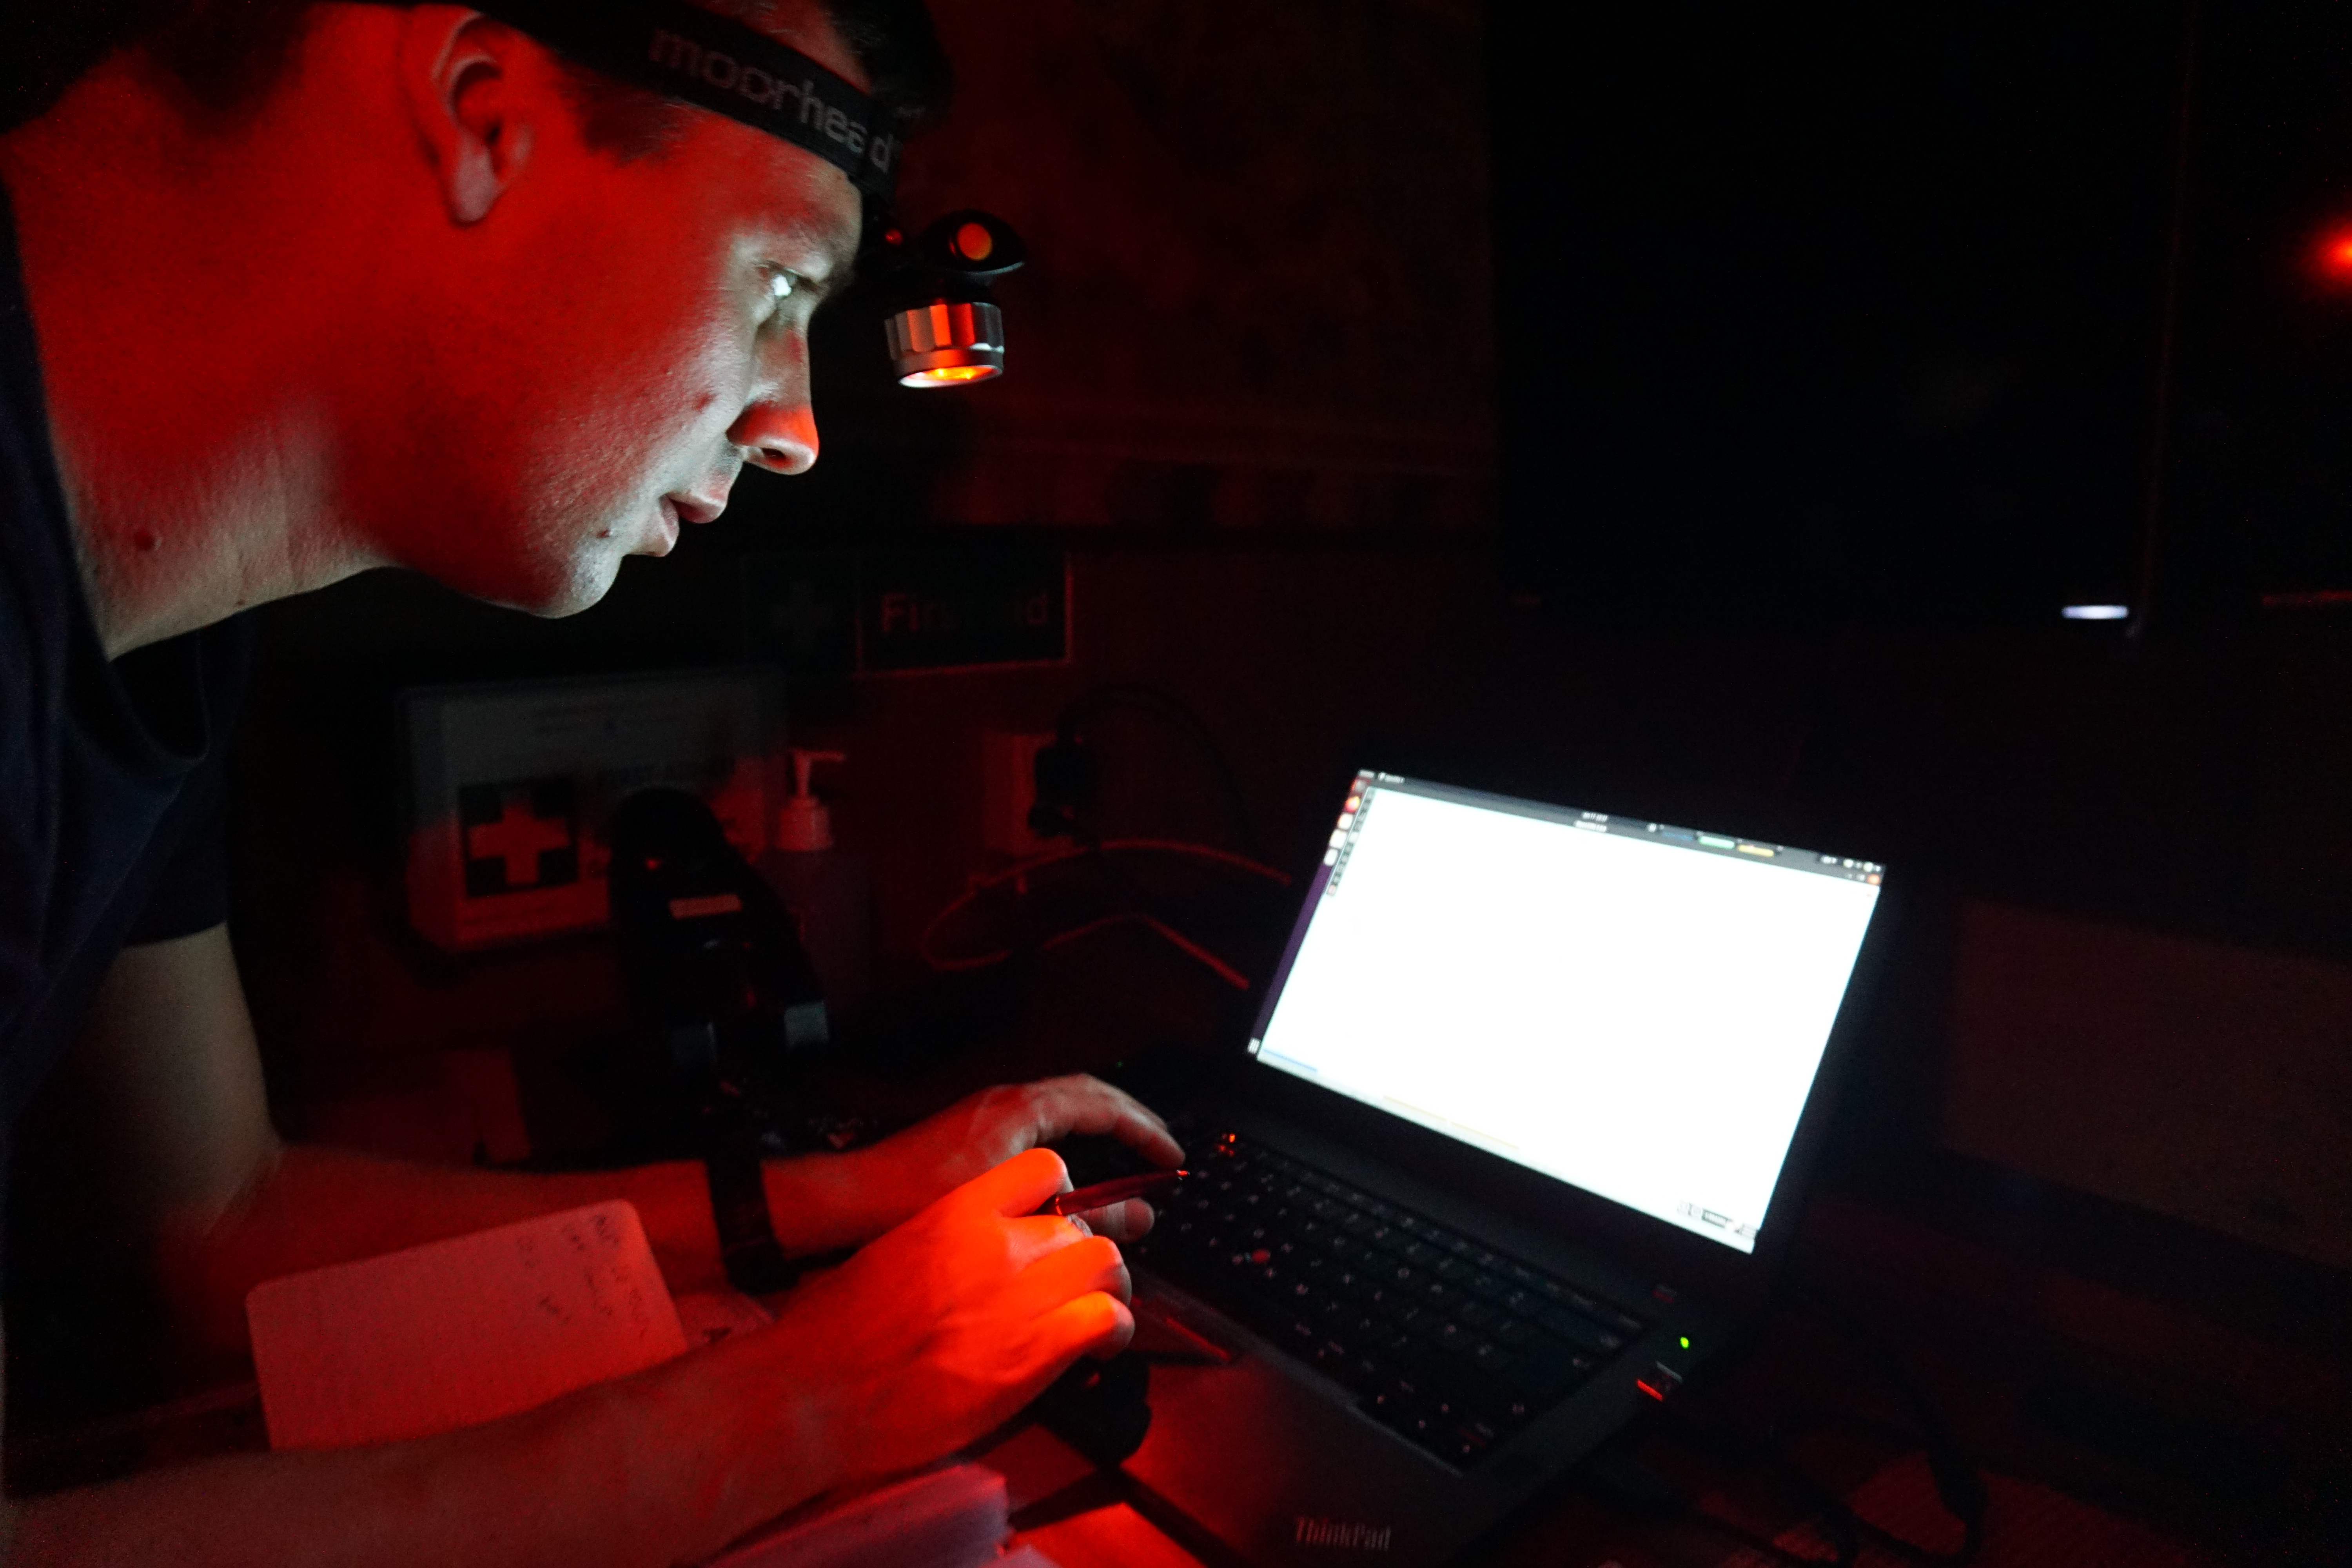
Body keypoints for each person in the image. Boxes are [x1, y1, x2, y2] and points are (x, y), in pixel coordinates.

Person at [0, 2, 1182, 1561]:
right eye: (781, 284)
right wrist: (807, 1404)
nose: (798, 430)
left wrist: (843, 1200)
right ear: (485, 113)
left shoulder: (163, 633)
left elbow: (217, 1229)